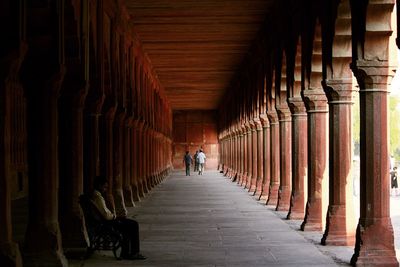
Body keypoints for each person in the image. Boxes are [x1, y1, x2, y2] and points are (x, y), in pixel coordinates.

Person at [91, 176, 146, 260]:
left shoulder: (95, 195)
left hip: (104, 221)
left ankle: (127, 252)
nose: (105, 189)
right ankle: (132, 253)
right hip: (107, 223)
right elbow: (105, 214)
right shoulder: (98, 197)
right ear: (99, 185)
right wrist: (115, 216)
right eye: (104, 187)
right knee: (132, 225)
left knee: (132, 224)